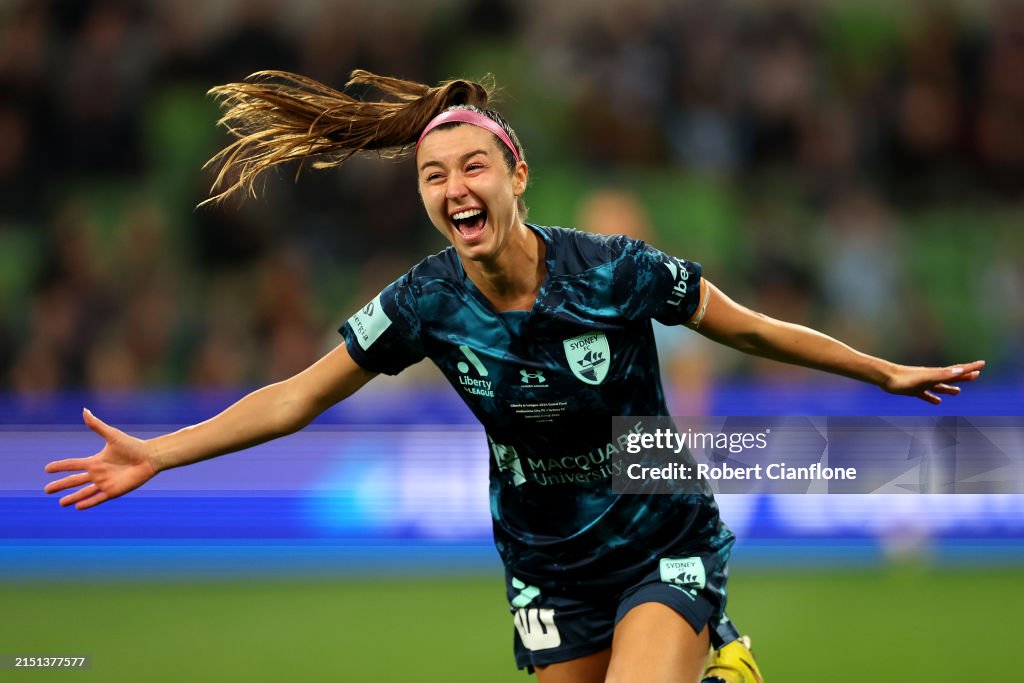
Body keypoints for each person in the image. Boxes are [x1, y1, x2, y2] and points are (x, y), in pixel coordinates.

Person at [44, 69, 985, 683]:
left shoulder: (613, 267)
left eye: (474, 167)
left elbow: (750, 327)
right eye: (432, 176)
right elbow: (296, 394)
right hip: (543, 560)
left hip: (659, 526)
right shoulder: (421, 301)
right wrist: (160, 453)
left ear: (517, 174)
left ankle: (709, 635)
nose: (455, 188)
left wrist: (880, 372)